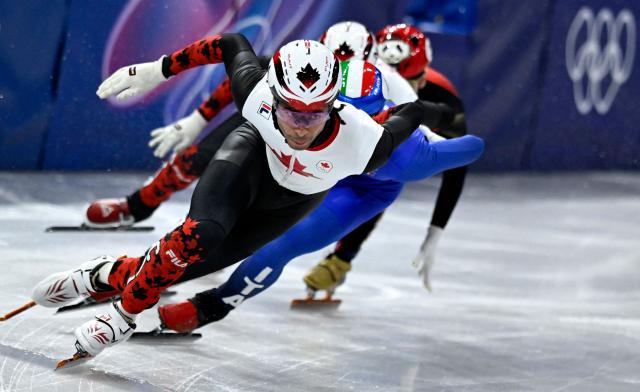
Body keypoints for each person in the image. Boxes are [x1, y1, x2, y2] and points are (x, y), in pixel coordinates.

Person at [30, 33, 455, 358]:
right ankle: (122, 315)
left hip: (291, 201)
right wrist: (159, 68)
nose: (302, 126)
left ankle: (98, 275)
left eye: (316, 113)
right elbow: (232, 43)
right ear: (272, 97)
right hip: (251, 157)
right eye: (290, 111)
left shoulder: (365, 143)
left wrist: (440, 115)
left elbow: (410, 114)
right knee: (201, 235)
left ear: (334, 104)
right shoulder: (254, 94)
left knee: (180, 270)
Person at [155, 58, 483, 333]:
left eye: (367, 120)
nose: (348, 129)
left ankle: (210, 306)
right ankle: (154, 271)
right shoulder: (310, 107)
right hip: (326, 166)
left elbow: (472, 146)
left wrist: (441, 124)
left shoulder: (411, 158)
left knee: (281, 244)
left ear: (384, 116)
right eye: (334, 113)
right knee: (228, 215)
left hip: (360, 189)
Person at [84, 21, 417, 228]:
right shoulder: (294, 68)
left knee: (259, 203)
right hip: (264, 128)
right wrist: (196, 120)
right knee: (194, 161)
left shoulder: (386, 84)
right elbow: (242, 78)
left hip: (316, 155)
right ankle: (139, 206)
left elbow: (402, 123)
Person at [305, 23, 469, 293]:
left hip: (400, 146)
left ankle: (341, 259)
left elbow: (457, 167)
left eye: (415, 81)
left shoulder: (442, 97)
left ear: (424, 76)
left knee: (383, 177)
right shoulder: (360, 80)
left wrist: (435, 231)